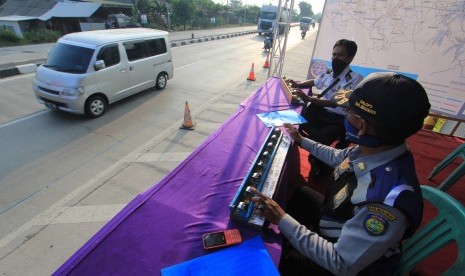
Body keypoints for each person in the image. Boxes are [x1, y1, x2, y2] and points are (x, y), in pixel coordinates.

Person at [252, 72, 431, 275]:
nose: (345, 115)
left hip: (346, 265)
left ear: (362, 126)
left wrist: (282, 220)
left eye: (348, 111)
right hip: (340, 219)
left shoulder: (383, 205)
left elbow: (340, 263)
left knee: (276, 257)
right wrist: (301, 140)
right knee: (299, 195)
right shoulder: (378, 149)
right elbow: (340, 157)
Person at [288, 39, 363, 178]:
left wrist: (310, 99)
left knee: (322, 138)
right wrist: (298, 85)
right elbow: (315, 81)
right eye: (334, 55)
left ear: (350, 58)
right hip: (320, 111)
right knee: (297, 123)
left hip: (338, 118)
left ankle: (319, 163)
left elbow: (335, 103)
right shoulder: (329, 71)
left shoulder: (355, 79)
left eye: (340, 55)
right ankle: (307, 153)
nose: (335, 58)